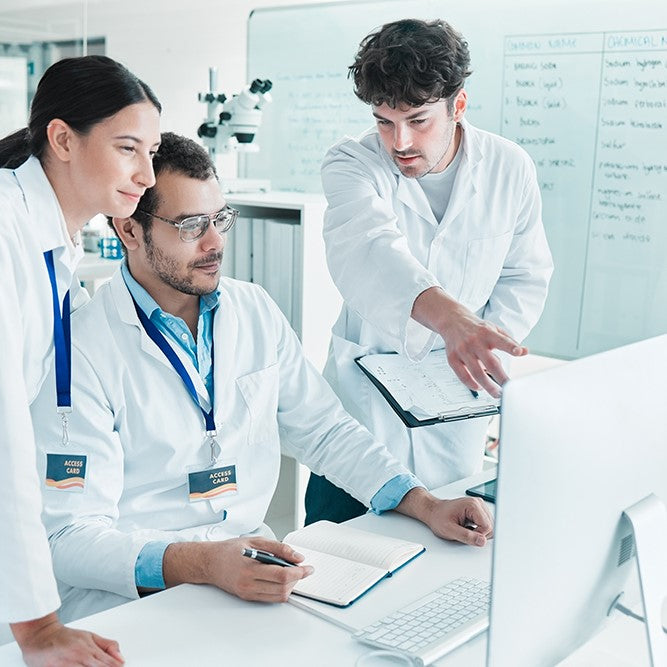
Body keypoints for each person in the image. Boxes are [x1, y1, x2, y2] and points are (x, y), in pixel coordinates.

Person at [31, 132, 493, 623]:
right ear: (129, 230)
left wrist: (424, 504)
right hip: (136, 600)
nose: (215, 243)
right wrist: (204, 563)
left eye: (220, 219)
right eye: (191, 226)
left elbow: (324, 430)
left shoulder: (253, 309)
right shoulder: (80, 348)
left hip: (250, 572)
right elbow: (70, 538)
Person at [305, 18, 554, 524]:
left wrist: (479, 343)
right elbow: (369, 251)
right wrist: (452, 321)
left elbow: (523, 276)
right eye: (384, 121)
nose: (399, 142)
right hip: (363, 419)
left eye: (418, 120)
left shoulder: (509, 168)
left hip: (454, 416)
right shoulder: (352, 163)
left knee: (442, 551)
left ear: (457, 105)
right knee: (331, 553)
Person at [0, 55, 161, 666]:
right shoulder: (6, 230)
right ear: (63, 140)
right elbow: (5, 433)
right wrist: (39, 627)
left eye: (151, 152)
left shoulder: (51, 244)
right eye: (127, 149)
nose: (147, 175)